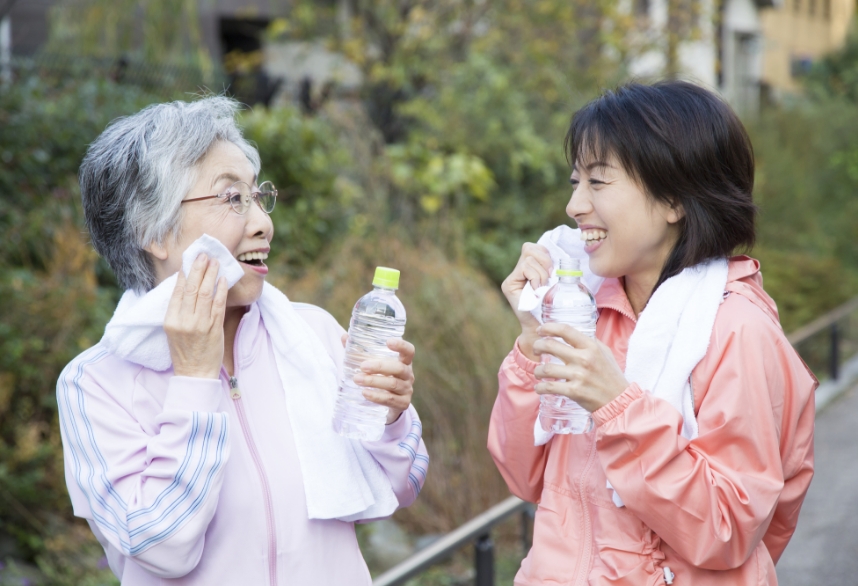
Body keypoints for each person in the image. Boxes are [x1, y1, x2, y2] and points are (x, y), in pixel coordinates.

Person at [57, 96, 428, 585]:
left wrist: (392, 418)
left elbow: (406, 483)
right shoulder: (92, 384)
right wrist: (193, 381)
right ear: (155, 232)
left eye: (257, 196)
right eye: (232, 199)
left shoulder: (312, 334)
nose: (262, 223)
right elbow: (162, 547)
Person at [489, 81, 816, 585]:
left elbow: (728, 529)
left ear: (674, 199)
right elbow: (524, 477)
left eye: (598, 183)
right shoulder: (583, 309)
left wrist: (618, 407)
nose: (575, 206)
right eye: (575, 182)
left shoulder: (736, 329)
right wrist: (533, 338)